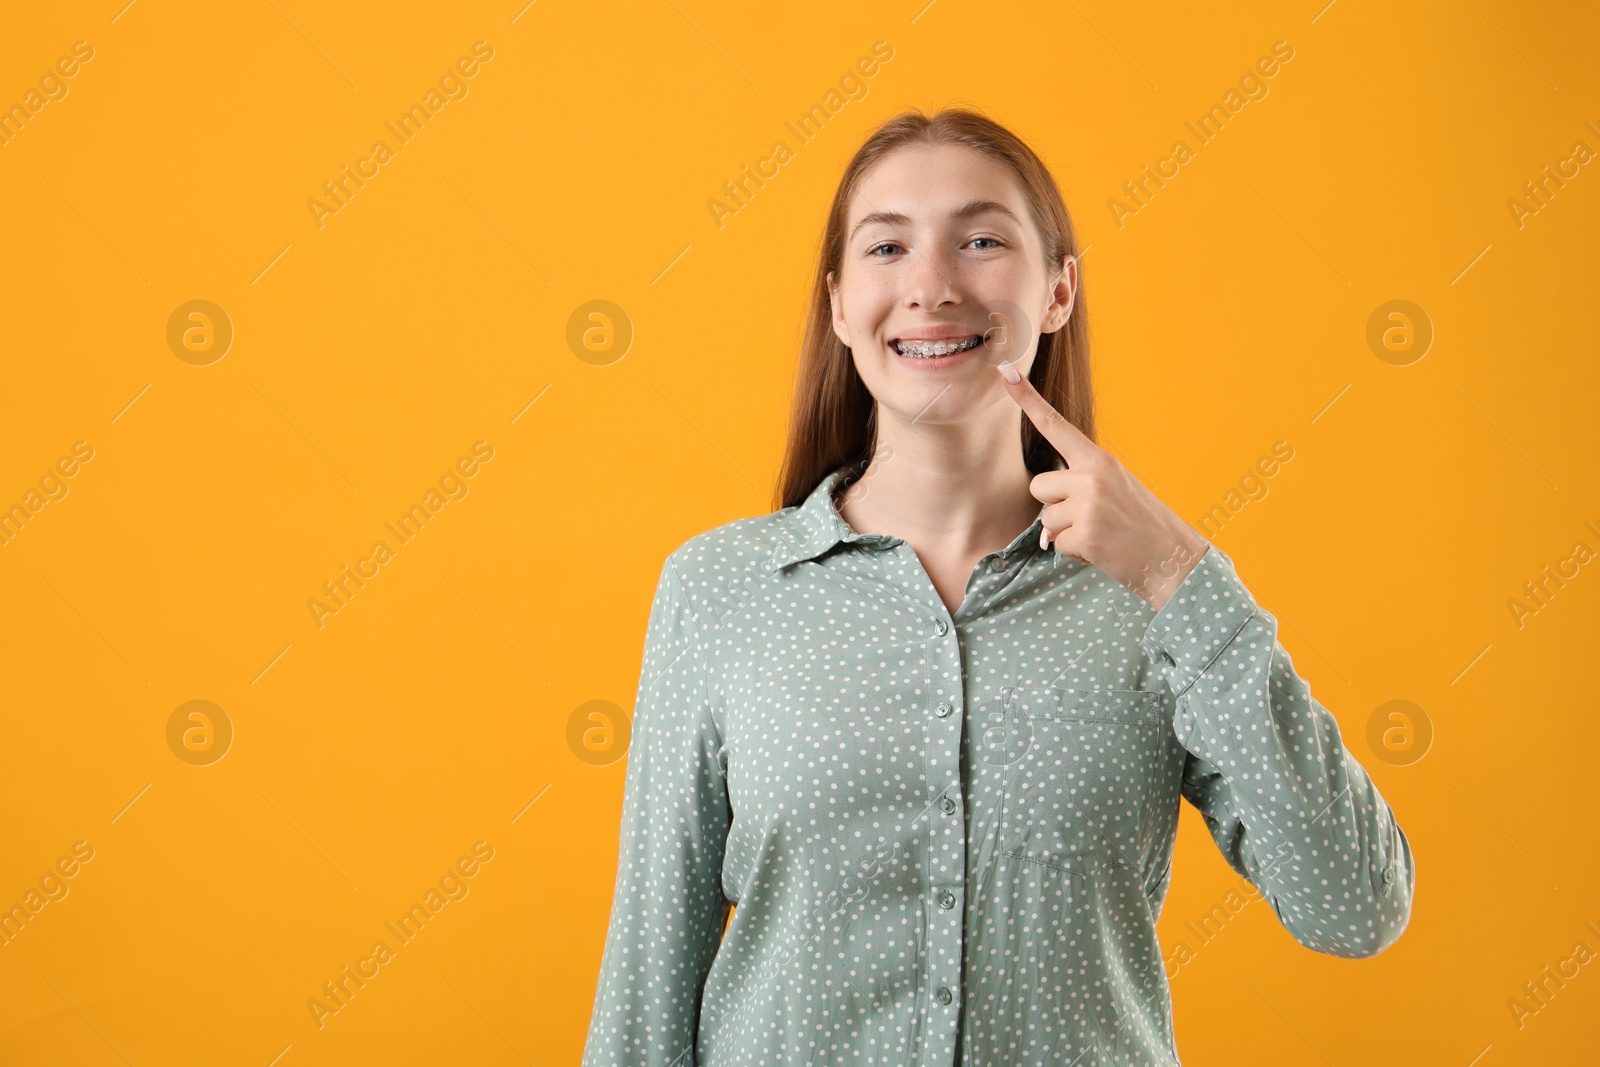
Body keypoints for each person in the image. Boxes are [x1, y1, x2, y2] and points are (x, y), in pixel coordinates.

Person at [580, 107, 1415, 1066]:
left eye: (981, 241)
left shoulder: (1153, 601)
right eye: (887, 247)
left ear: (1058, 290)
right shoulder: (720, 590)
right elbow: (650, 972)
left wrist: (1182, 580)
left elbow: (1355, 908)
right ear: (841, 304)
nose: (931, 287)